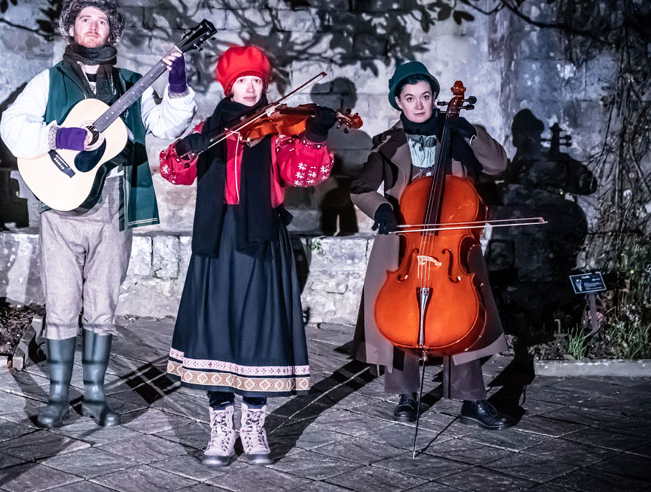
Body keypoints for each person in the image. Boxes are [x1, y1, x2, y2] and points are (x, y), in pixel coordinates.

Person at [0, 0, 196, 428]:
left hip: (114, 202)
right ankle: (55, 397)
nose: (93, 26)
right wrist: (61, 138)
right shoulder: (48, 81)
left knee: (103, 303)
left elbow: (165, 125)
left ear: (112, 32)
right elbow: (12, 126)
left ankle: (94, 395)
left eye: (102, 21)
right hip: (62, 207)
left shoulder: (130, 83)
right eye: (85, 18)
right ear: (71, 28)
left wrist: (177, 83)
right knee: (62, 302)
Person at [159, 46, 336, 466]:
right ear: (229, 86)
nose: (252, 87)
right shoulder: (211, 126)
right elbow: (172, 169)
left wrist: (314, 136)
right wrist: (194, 143)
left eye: (257, 80)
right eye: (243, 80)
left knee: (259, 330)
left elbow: (304, 173)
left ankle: (253, 424)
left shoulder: (275, 132)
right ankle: (221, 427)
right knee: (217, 329)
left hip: (261, 239)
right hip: (217, 238)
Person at [349, 61, 514, 430]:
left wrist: (469, 131)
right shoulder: (386, 143)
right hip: (405, 242)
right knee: (401, 315)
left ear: (436, 98)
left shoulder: (458, 133)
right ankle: (407, 394)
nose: (419, 105)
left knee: (463, 317)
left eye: (425, 96)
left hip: (451, 242)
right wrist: (383, 209)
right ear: (399, 103)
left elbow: (500, 166)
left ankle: (473, 400)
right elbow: (360, 189)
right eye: (410, 98)